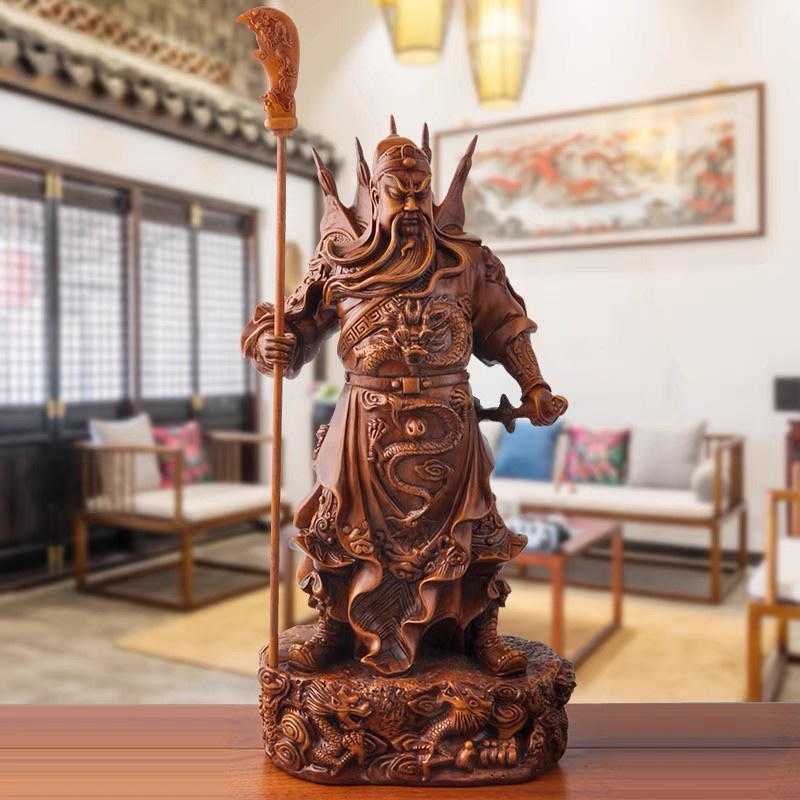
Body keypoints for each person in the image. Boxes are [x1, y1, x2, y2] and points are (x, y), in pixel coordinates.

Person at [243, 120, 567, 678]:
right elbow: (294, 325)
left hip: (450, 421)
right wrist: (272, 343)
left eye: (422, 191)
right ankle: (333, 631)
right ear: (375, 193)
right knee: (337, 529)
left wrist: (533, 385)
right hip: (363, 423)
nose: (413, 204)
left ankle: (479, 633)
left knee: (475, 532)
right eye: (399, 191)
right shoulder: (339, 260)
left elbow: (506, 327)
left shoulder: (468, 261)